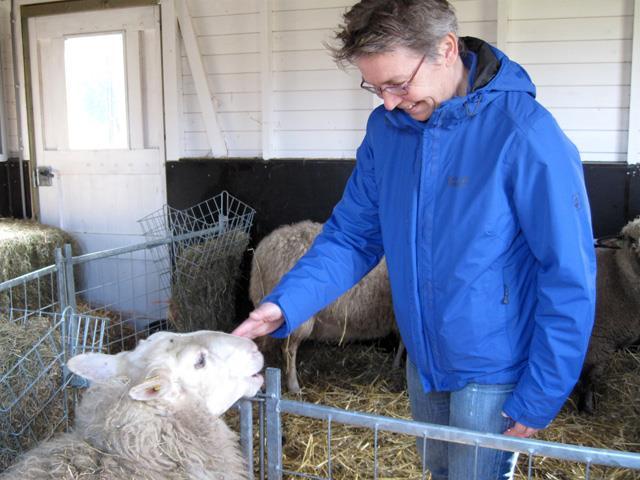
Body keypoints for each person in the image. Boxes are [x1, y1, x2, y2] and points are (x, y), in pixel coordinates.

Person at [232, 0, 597, 478]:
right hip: (425, 362)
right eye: (375, 86)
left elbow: (568, 272)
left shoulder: (524, 134)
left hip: (495, 368)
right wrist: (285, 304)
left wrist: (543, 391)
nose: (387, 101)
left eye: (398, 84)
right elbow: (351, 236)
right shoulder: (389, 130)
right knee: (439, 471)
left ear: (446, 49)